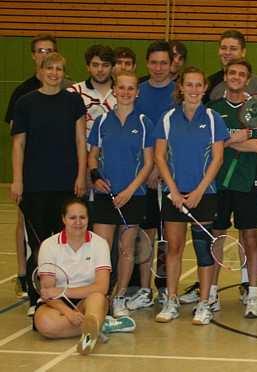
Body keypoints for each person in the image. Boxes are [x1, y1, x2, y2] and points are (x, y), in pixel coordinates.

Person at [10, 52, 87, 315]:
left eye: (59, 69)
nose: (54, 73)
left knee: (62, 243)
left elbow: (80, 141)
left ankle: (61, 295)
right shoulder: (25, 103)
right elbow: (18, 144)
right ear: (40, 70)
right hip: (34, 186)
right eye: (49, 68)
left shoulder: (73, 102)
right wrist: (18, 180)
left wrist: (80, 175)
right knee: (40, 245)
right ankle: (37, 298)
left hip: (66, 183)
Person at [152, 67, 229, 324]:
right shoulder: (167, 118)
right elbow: (160, 157)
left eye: (199, 85)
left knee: (203, 251)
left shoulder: (213, 117)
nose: (194, 90)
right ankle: (171, 300)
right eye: (189, 85)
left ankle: (204, 303)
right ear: (181, 87)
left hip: (203, 194)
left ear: (204, 88)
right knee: (173, 248)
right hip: (174, 194)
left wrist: (198, 191)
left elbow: (218, 158)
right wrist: (172, 190)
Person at [87, 70, 155, 318]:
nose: (126, 92)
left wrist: (129, 190)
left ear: (137, 92)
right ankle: (101, 296)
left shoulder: (145, 123)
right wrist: (95, 177)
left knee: (127, 249)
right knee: (102, 250)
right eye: (122, 88)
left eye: (131, 88)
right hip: (106, 195)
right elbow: (93, 155)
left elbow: (148, 163)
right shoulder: (102, 121)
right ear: (114, 90)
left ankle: (119, 297)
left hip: (133, 196)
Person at [206, 59, 257, 318]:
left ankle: (253, 295)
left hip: (246, 182)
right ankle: (210, 294)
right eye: (232, 73)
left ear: (247, 79)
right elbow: (209, 146)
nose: (236, 77)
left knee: (251, 238)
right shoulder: (212, 109)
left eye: (241, 74)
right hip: (217, 182)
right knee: (216, 237)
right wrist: (235, 138)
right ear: (225, 76)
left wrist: (225, 142)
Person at [5, 33, 64, 302]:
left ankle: (59, 287)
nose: (46, 57)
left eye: (50, 52)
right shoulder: (23, 97)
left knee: (58, 235)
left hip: (61, 180)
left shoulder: (70, 96)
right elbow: (17, 141)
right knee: (32, 233)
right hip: (33, 179)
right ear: (34, 58)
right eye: (41, 52)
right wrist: (18, 179)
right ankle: (28, 282)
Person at [32, 199, 118, 355]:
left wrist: (61, 291)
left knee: (97, 297)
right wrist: (68, 313)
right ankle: (95, 325)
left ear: (88, 219)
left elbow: (101, 287)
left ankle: (90, 332)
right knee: (44, 323)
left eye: (82, 217)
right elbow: (47, 293)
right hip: (57, 303)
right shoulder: (49, 245)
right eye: (72, 218)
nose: (78, 222)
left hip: (89, 299)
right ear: (63, 219)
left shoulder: (99, 244)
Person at [129, 40, 176, 310]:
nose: (158, 68)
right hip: (142, 175)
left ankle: (166, 289)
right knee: (145, 234)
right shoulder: (138, 91)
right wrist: (149, 168)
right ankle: (144, 289)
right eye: (154, 62)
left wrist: (161, 168)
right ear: (147, 63)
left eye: (164, 63)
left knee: (169, 236)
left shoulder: (177, 93)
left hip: (169, 176)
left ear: (172, 65)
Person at [204, 30, 257, 130]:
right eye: (223, 48)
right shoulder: (209, 83)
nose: (227, 52)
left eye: (233, 49)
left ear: (243, 52)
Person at [68, 44, 116, 142]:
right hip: (83, 153)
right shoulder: (73, 92)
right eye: (95, 65)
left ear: (112, 67)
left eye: (105, 65)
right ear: (87, 67)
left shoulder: (125, 93)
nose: (100, 69)